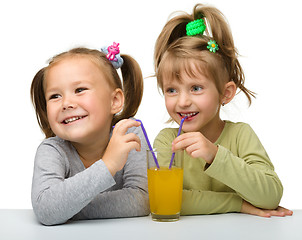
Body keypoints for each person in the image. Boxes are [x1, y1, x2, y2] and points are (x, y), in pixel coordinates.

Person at [153, 4, 293, 217]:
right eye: (171, 90)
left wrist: (215, 155)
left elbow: (270, 196)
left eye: (196, 88)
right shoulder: (167, 142)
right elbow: (164, 199)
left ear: (225, 93)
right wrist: (239, 204)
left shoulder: (240, 136)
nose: (182, 101)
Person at [30, 43, 149, 225]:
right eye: (55, 96)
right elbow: (46, 209)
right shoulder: (51, 151)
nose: (66, 103)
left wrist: (67, 209)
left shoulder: (129, 134)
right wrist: (107, 165)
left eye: (80, 90)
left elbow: (142, 200)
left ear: (115, 101)